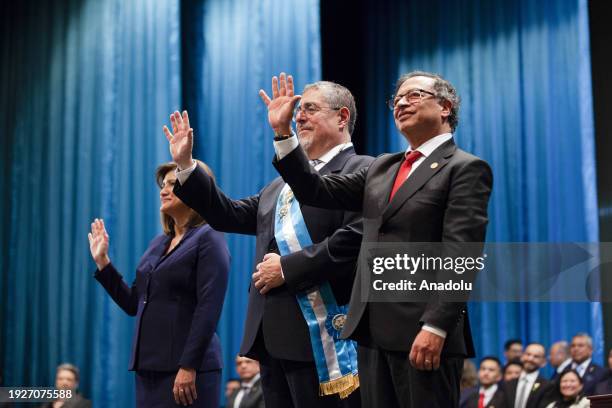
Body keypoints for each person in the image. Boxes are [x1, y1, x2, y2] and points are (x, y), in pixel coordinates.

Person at [266, 71, 493, 408]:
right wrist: (284, 134)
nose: (401, 102)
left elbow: (462, 254)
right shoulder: (383, 167)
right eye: (396, 98)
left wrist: (437, 326)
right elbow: (314, 190)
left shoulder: (464, 168)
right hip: (372, 335)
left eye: (413, 95)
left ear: (445, 107)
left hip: (423, 335)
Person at [164, 82, 373, 407]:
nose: (298, 117)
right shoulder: (280, 185)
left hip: (325, 343)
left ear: (342, 117)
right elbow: (228, 215)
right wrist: (186, 166)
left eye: (310, 109)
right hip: (271, 339)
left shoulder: (364, 170)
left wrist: (286, 269)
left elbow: (354, 241)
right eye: (298, 111)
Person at [89, 161, 230, 408]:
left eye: (173, 184)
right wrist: (104, 263)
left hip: (187, 372)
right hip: (148, 371)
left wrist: (189, 365)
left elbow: (209, 306)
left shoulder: (209, 236)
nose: (164, 190)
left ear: (196, 190)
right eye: (163, 185)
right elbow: (135, 303)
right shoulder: (158, 243)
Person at [502, 343, 554, 408]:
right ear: (522, 356)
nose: (530, 359)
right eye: (528, 354)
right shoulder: (508, 384)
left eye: (536, 356)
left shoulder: (548, 386)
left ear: (543, 362)